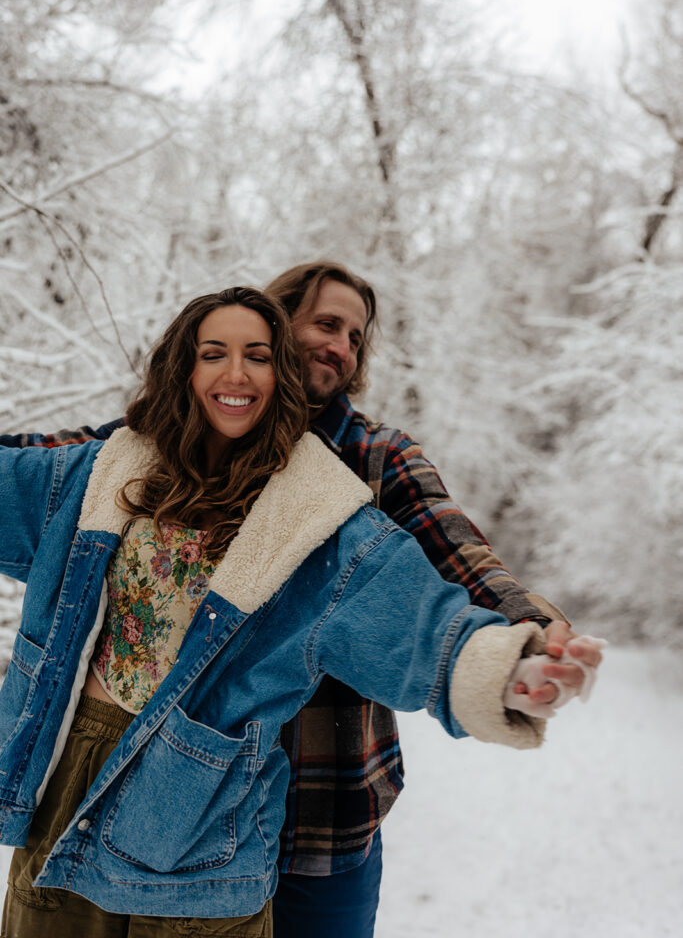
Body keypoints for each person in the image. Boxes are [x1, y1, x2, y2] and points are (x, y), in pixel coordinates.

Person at [1, 265, 604, 938]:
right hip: (84, 786)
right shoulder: (120, 462)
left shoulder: (347, 488)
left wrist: (521, 653)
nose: (340, 345)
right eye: (324, 324)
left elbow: (432, 591)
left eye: (354, 334)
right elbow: (29, 478)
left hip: (281, 813)